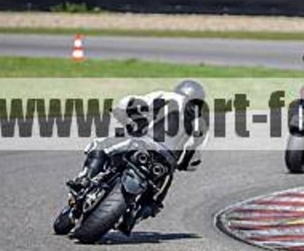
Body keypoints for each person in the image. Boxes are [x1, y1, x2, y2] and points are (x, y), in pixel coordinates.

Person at [67, 79, 207, 234]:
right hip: (166, 162)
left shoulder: (167, 96)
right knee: (156, 199)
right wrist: (183, 165)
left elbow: (130, 102)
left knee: (100, 146)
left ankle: (84, 179)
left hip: (143, 143)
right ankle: (136, 215)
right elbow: (193, 155)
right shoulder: (201, 122)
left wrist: (123, 115)